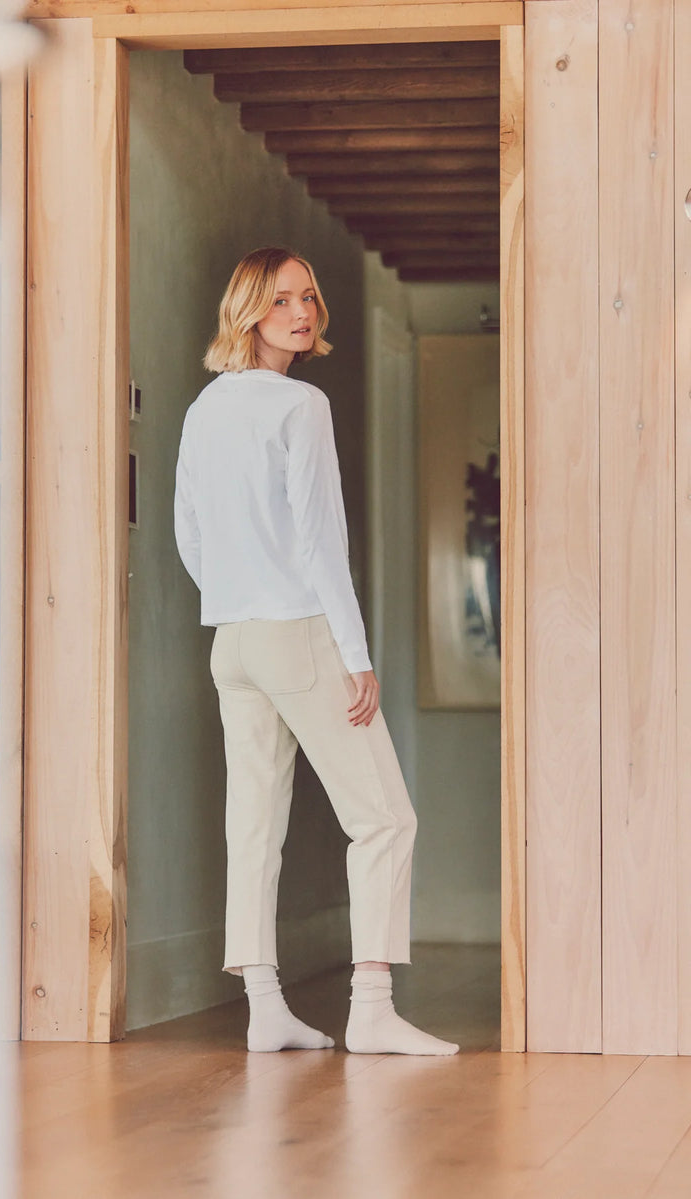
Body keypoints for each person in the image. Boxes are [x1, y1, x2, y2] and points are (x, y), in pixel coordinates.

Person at [174, 246, 458, 1057]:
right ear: (248, 312)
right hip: (298, 630)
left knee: (253, 826)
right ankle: (371, 1006)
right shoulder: (300, 406)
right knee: (385, 817)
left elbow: (187, 531)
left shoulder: (204, 408)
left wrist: (234, 596)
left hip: (231, 640)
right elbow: (321, 545)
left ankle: (266, 1009)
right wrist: (355, 652)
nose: (302, 313)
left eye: (309, 297)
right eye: (281, 300)